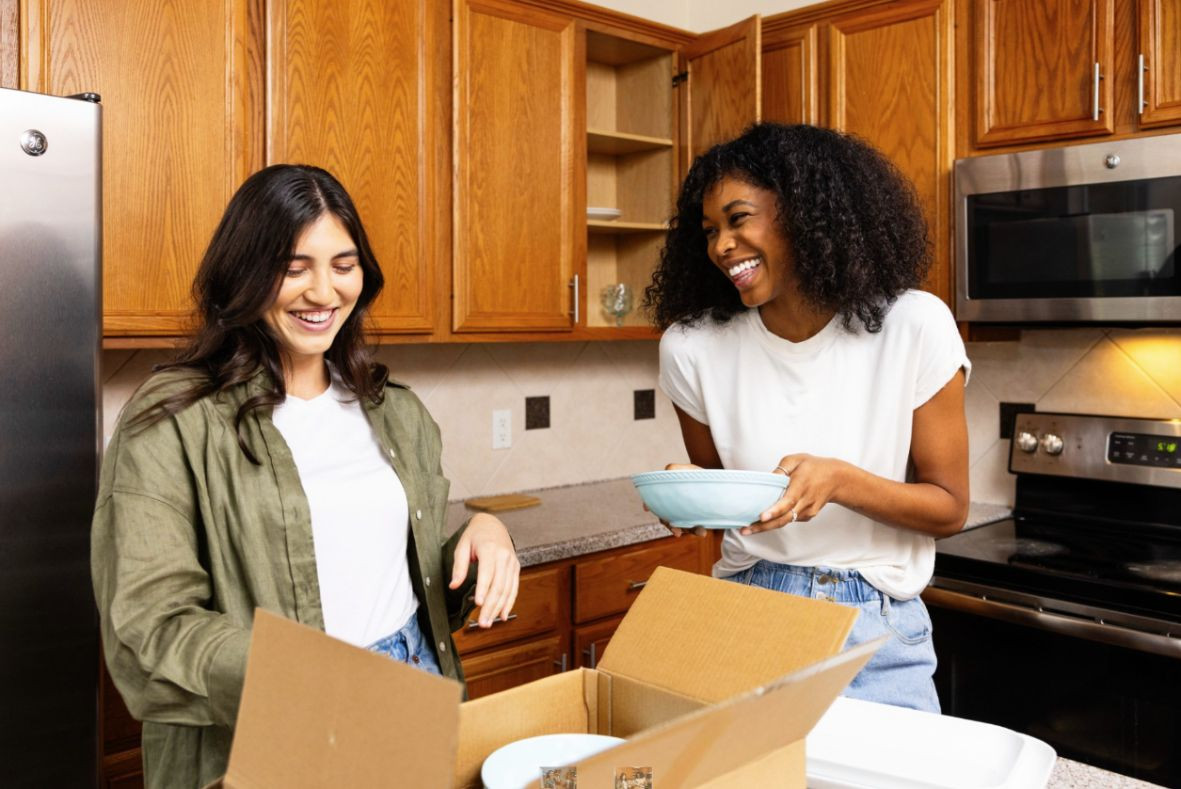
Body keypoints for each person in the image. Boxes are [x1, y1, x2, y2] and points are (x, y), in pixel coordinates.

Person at [91, 164, 520, 788]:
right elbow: (149, 627)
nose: (323, 292)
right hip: (273, 723)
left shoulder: (393, 409)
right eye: (294, 267)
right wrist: (318, 684)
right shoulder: (172, 419)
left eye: (343, 266)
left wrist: (484, 536)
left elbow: (399, 581)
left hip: (414, 680)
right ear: (245, 271)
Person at [645, 123, 970, 713]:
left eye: (739, 219)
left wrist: (840, 481)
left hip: (875, 630)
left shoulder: (914, 325)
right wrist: (688, 494)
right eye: (711, 230)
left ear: (808, 213)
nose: (721, 245)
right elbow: (732, 504)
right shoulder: (691, 347)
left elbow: (949, 508)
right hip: (748, 615)